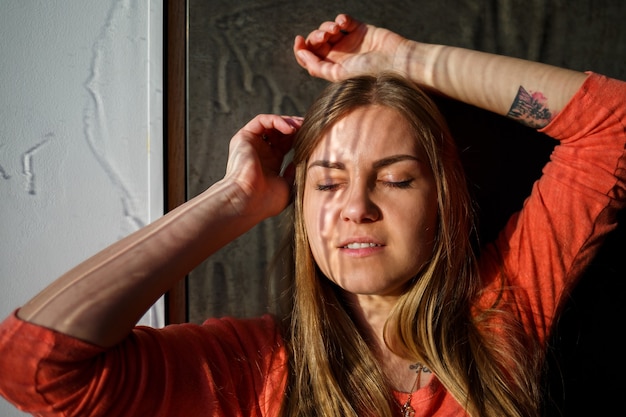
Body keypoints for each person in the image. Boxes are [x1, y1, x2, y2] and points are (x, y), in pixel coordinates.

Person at [0, 12, 624, 417]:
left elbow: (614, 128)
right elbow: (33, 367)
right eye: (327, 185)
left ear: (444, 200)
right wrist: (234, 201)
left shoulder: (503, 311)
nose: (356, 207)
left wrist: (406, 62)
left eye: (397, 178)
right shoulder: (257, 371)